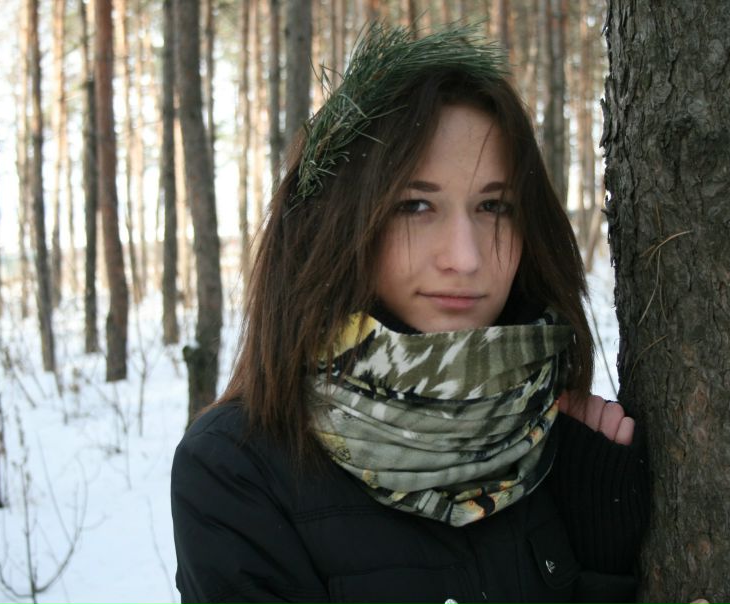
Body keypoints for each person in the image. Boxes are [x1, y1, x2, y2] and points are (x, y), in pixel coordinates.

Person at [171, 23, 649, 604]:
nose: (465, 257)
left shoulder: (555, 432)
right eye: (416, 205)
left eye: (494, 206)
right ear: (339, 224)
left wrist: (603, 558)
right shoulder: (235, 471)